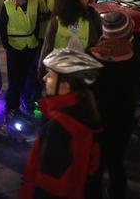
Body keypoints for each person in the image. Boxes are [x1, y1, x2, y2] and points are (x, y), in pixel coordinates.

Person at [20, 46, 102, 199]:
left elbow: (48, 182)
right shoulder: (84, 114)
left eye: (50, 75)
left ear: (65, 87)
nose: (44, 79)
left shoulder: (58, 127)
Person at [89, 12, 138, 199]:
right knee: (116, 162)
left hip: (96, 119)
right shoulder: (133, 58)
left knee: (95, 164)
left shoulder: (92, 56)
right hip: (122, 122)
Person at [0, 0, 38, 119]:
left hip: (31, 44)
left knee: (28, 76)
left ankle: (26, 101)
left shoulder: (34, 2)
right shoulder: (7, 5)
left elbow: (37, 21)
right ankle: (11, 107)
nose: (16, 2)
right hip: (14, 46)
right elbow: (2, 26)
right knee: (14, 79)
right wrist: (6, 45)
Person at [39, 0, 96, 75]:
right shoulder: (87, 22)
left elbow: (47, 46)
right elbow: (93, 46)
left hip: (57, 68)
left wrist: (41, 69)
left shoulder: (56, 21)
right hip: (79, 69)